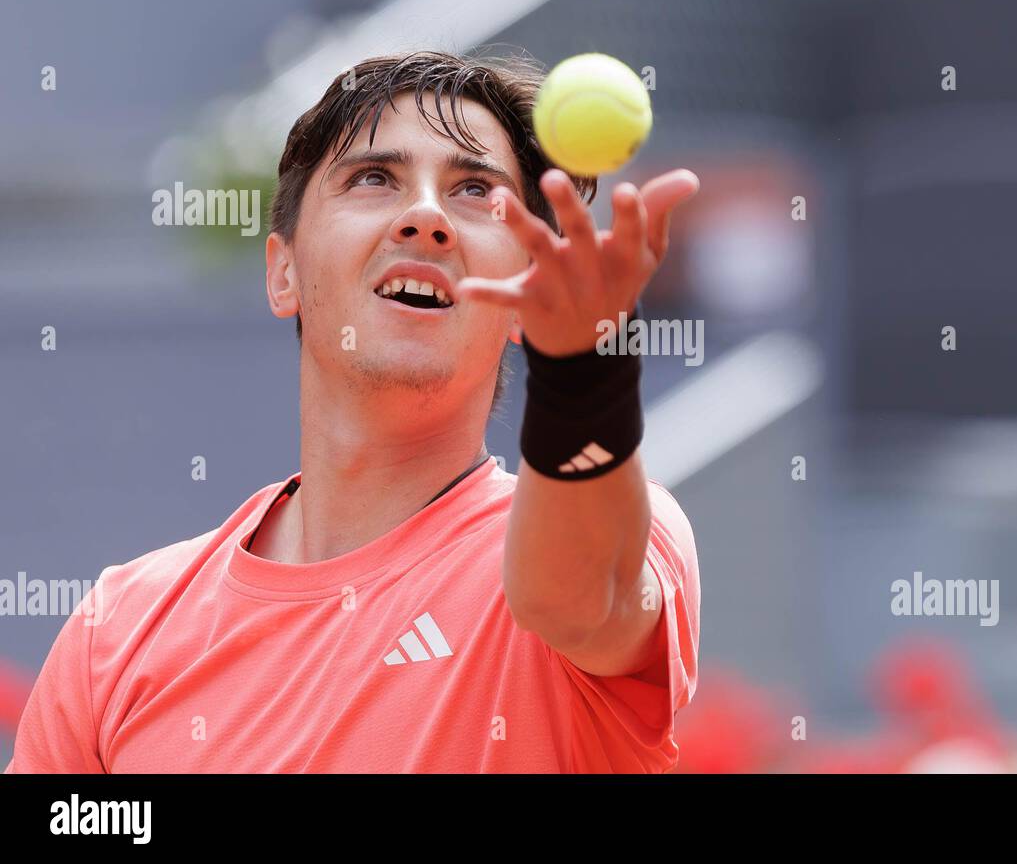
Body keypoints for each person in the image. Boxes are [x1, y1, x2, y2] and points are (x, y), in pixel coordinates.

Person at [5, 51, 702, 773]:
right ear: (283, 271)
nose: (427, 217)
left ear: (526, 287)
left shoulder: (624, 526)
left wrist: (584, 375)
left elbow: (578, 598)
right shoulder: (115, 632)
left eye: (474, 190)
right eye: (374, 178)